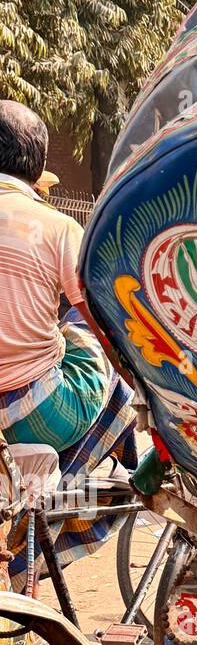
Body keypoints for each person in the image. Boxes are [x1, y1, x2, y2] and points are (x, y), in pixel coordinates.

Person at [0, 102, 110, 452]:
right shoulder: (57, 227)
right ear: (39, 165)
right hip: (32, 414)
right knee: (86, 338)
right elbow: (104, 329)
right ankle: (71, 481)